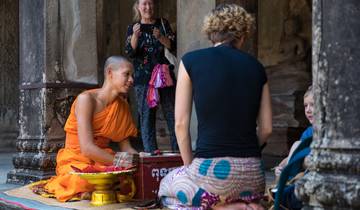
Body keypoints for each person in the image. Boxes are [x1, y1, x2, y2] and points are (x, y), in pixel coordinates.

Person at [158, 4, 272, 209]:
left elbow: (181, 125)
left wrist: (189, 169)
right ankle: (246, 204)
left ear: (210, 33)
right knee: (237, 190)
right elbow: (266, 129)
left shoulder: (191, 61)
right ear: (243, 35)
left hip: (211, 173)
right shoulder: (257, 67)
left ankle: (223, 206)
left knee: (166, 189)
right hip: (254, 177)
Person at [32, 56, 138, 202]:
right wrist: (120, 164)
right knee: (82, 180)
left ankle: (93, 190)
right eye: (127, 74)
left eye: (132, 75)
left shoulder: (122, 106)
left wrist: (141, 160)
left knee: (130, 178)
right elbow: (87, 148)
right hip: (76, 158)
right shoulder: (87, 100)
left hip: (102, 159)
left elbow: (126, 148)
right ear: (110, 73)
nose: (131, 80)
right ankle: (89, 188)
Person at [125, 0, 178, 153]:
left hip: (165, 77)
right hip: (144, 79)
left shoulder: (162, 23)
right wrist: (135, 36)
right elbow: (130, 52)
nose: (148, 7)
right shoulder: (132, 28)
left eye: (150, 4)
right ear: (138, 7)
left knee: (172, 115)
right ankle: (151, 155)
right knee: (147, 118)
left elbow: (173, 46)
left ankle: (177, 154)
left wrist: (161, 37)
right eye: (144, 4)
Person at [274, 86, 313, 177]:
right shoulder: (308, 132)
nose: (308, 110)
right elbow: (292, 156)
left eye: (312, 105)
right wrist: (281, 167)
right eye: (305, 106)